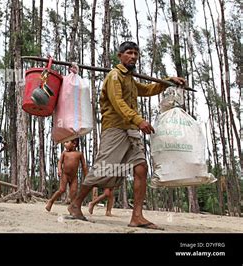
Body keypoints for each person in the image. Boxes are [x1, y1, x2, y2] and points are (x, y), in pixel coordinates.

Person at [68, 41, 186, 229]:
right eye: (129, 53)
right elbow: (118, 103)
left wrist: (167, 81)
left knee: (141, 168)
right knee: (103, 169)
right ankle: (75, 204)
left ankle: (137, 216)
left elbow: (147, 90)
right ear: (120, 56)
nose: (133, 57)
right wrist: (139, 120)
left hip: (131, 130)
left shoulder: (130, 79)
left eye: (136, 54)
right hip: (115, 129)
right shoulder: (115, 76)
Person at [45, 138, 87, 212]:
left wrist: (86, 175)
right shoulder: (64, 153)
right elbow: (60, 162)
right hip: (65, 175)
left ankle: (72, 208)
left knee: (74, 192)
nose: (64, 144)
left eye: (67, 142)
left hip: (74, 177)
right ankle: (51, 201)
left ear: (74, 143)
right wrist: (59, 170)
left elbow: (84, 165)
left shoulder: (79, 154)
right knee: (61, 190)